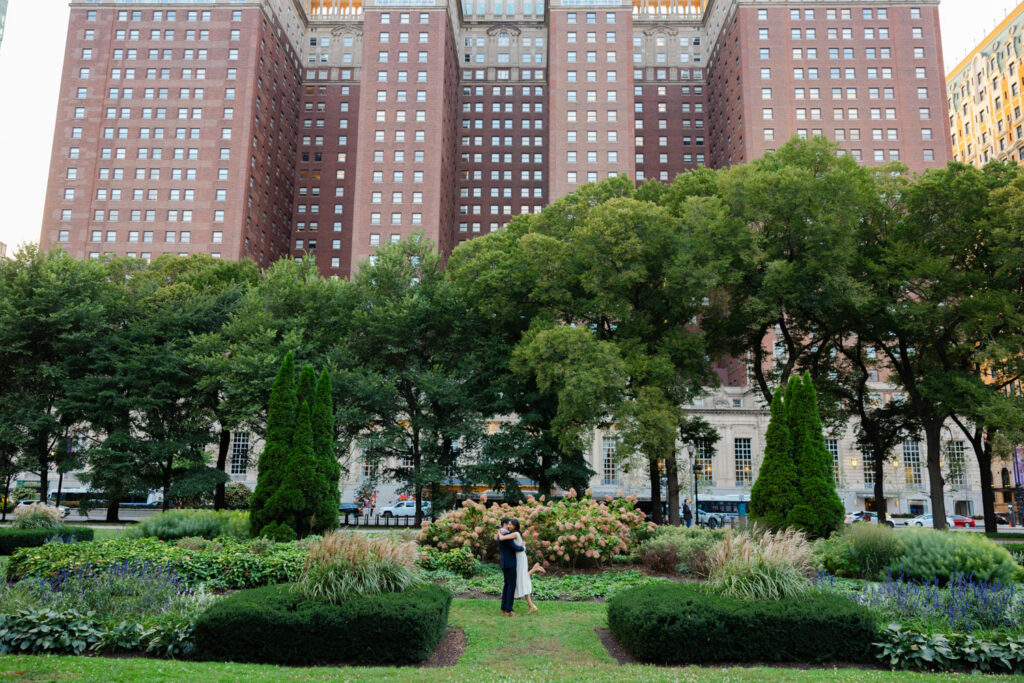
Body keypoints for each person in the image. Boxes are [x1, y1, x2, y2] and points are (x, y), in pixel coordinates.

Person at [510, 519, 545, 613]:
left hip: (520, 557)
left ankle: (531, 606)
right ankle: (535, 569)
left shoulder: (515, 534)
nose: (508, 525)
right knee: (522, 578)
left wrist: (501, 533)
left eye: (510, 524)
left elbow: (504, 538)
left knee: (521, 579)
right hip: (519, 557)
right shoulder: (516, 533)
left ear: (514, 526)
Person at [496, 517, 525, 616]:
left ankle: (503, 608)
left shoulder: (499, 534)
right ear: (504, 525)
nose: (509, 526)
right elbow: (514, 547)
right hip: (510, 563)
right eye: (507, 524)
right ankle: (509, 610)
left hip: (504, 562)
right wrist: (523, 547)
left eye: (510, 524)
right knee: (511, 586)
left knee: (506, 585)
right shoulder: (506, 534)